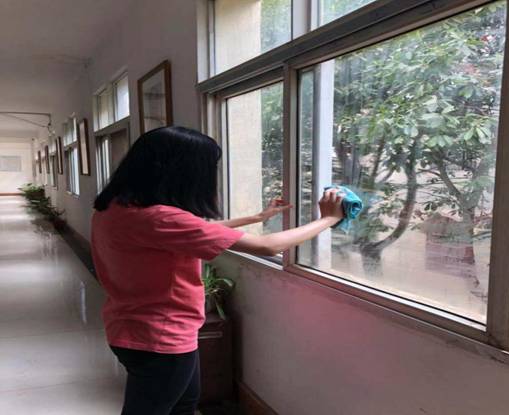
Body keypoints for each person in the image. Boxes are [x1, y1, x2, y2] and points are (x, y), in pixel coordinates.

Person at [91, 126, 344, 415]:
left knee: (183, 405)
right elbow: (267, 246)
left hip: (130, 328)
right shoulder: (161, 218)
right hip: (162, 337)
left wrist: (256, 217)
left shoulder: (116, 208)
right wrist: (328, 220)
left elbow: (192, 230)